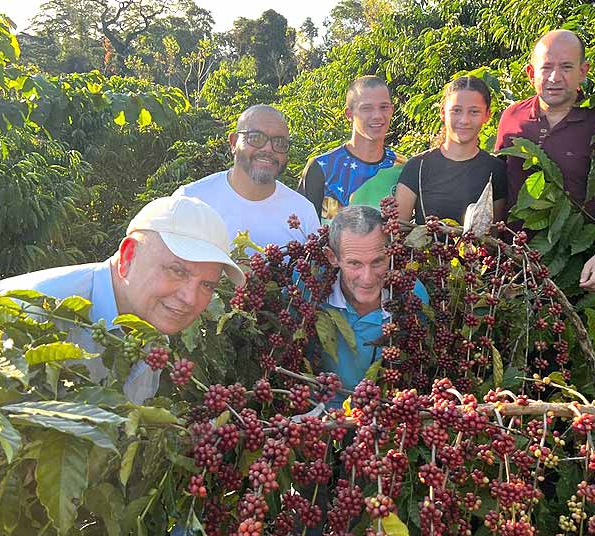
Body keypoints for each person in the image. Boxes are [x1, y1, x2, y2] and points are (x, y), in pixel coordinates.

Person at [0, 195, 245, 403]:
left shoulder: (151, 337)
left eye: (207, 285)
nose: (190, 298)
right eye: (177, 271)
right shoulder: (26, 311)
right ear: (128, 256)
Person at [495, 29, 595, 292]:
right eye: (546, 67)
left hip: (574, 268)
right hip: (509, 266)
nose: (555, 77)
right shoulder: (512, 117)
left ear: (583, 71)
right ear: (531, 73)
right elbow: (499, 189)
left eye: (566, 67)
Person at [174, 104, 321, 250]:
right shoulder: (190, 200)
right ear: (233, 143)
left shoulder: (303, 212)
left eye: (279, 143)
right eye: (255, 138)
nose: (268, 149)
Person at [316, 205, 428, 394]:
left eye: (377, 261)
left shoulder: (411, 295)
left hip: (384, 405)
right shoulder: (311, 291)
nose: (367, 278)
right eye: (354, 263)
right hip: (319, 407)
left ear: (391, 253)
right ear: (332, 257)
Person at [395, 76, 508, 226]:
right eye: (456, 110)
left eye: (474, 112)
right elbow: (398, 230)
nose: (464, 120)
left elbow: (495, 232)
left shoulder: (496, 170)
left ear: (487, 115)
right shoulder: (417, 166)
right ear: (443, 113)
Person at [297, 76, 406, 223]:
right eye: (366, 108)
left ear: (392, 110)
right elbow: (300, 227)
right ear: (349, 114)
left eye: (384, 107)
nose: (377, 116)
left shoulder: (403, 167)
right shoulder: (322, 167)